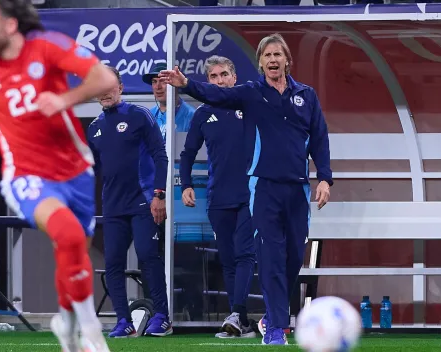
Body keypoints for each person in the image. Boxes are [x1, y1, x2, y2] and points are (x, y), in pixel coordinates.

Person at [159, 33, 332, 345]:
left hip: (297, 190)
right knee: (270, 256)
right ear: (261, 63)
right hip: (262, 188)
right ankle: (276, 327)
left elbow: (319, 137)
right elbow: (217, 95)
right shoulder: (251, 94)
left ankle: (269, 317)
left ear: (287, 61)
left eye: (278, 55)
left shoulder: (306, 95)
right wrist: (186, 84)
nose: (273, 60)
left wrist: (325, 178)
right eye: (267, 56)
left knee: (293, 258)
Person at [0, 0, 119, 351]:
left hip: (76, 171)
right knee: (68, 234)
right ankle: (92, 334)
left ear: (10, 25)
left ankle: (66, 322)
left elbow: (104, 78)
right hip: (23, 175)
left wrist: (65, 99)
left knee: (73, 252)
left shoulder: (46, 46)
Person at [87, 66, 173, 338]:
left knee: (148, 255)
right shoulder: (94, 128)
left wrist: (159, 195)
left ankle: (162, 316)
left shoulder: (140, 115)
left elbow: (161, 156)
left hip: (143, 203)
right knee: (113, 262)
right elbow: (95, 169)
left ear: (120, 88)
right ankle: (124, 321)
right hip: (112, 207)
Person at [179, 55, 255, 339]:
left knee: (245, 253)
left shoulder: (248, 105)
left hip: (250, 194)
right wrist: (186, 184)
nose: (220, 80)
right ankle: (240, 319)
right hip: (218, 197)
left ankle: (238, 313)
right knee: (229, 259)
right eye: (214, 76)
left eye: (224, 74)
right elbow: (187, 154)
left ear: (234, 77)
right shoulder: (202, 114)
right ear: (208, 81)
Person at [142, 62, 195, 141]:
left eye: (163, 81)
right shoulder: (149, 115)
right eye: (154, 81)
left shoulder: (191, 116)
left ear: (175, 84)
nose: (158, 87)